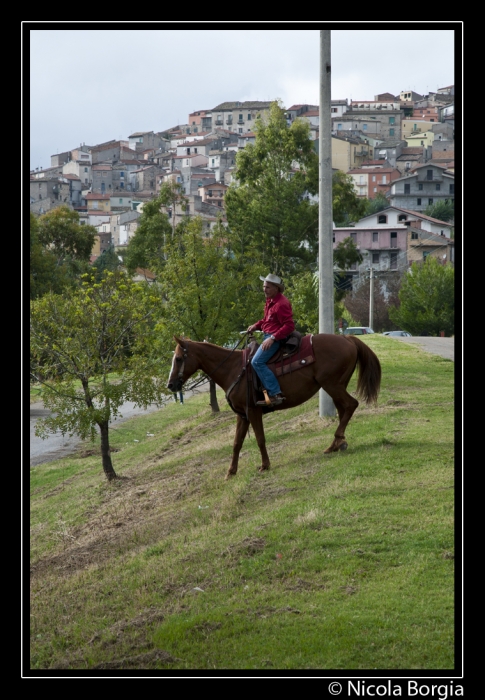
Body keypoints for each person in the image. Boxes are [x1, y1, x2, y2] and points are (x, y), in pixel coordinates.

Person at [247, 273, 295, 406]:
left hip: (276, 338)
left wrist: (272, 338)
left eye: (267, 287)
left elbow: (289, 325)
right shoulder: (270, 300)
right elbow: (267, 320)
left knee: (256, 362)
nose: (264, 289)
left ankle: (275, 393)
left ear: (276, 288)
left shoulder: (281, 304)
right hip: (268, 334)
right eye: (264, 286)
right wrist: (256, 326)